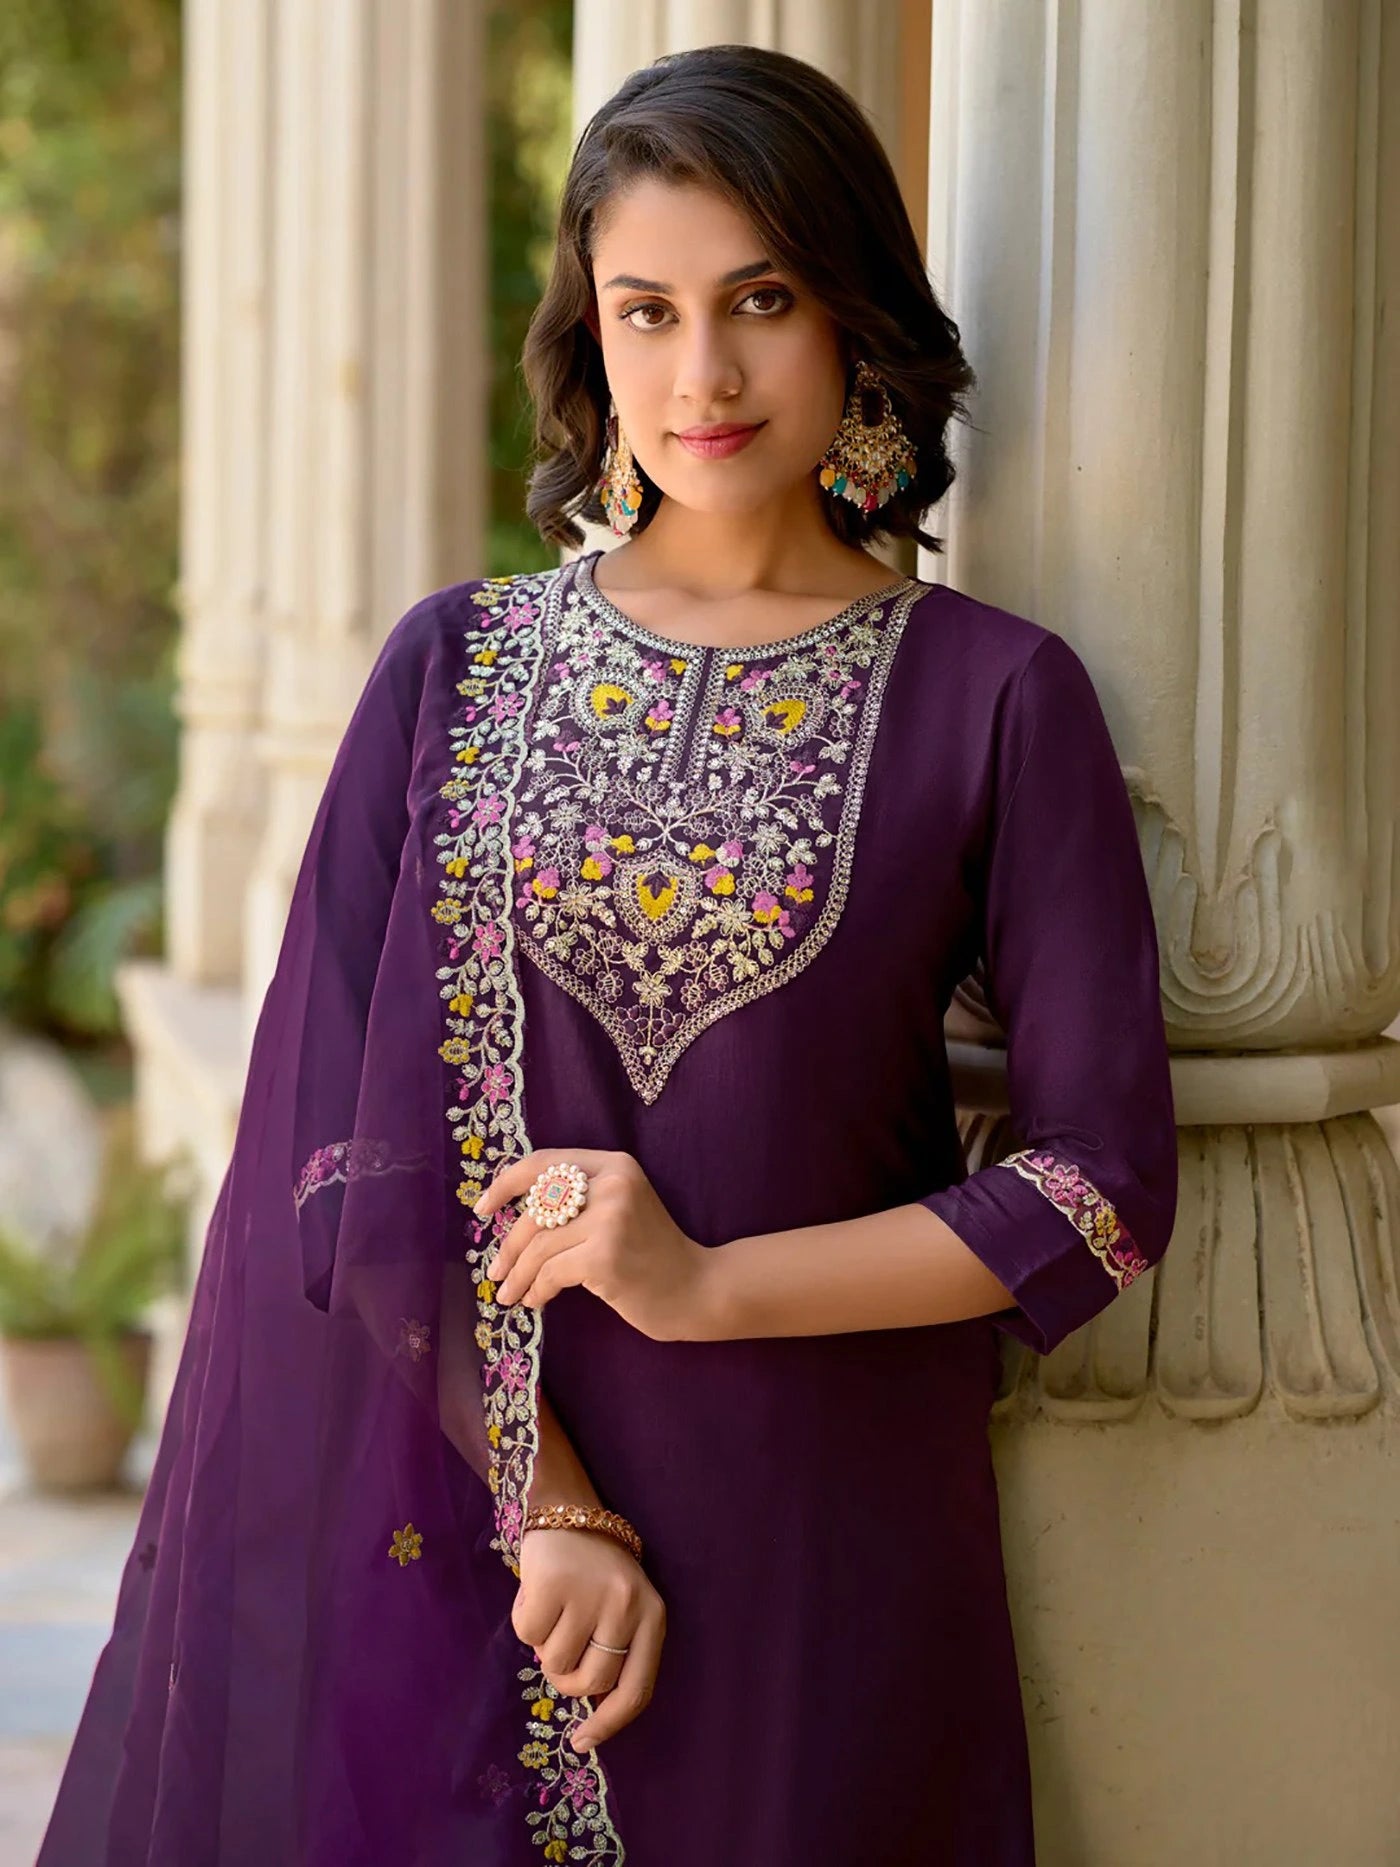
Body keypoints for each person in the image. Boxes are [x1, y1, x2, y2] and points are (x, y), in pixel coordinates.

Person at [39, 41, 1178, 1867]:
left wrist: (705, 1284)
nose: (701, 374)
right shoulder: (455, 669)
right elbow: (340, 1165)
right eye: (644, 311)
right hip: (472, 1530)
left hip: (835, 1527)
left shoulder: (995, 695)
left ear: (852, 321)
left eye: (761, 302)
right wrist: (545, 1499)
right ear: (590, 335)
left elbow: (1096, 1189)